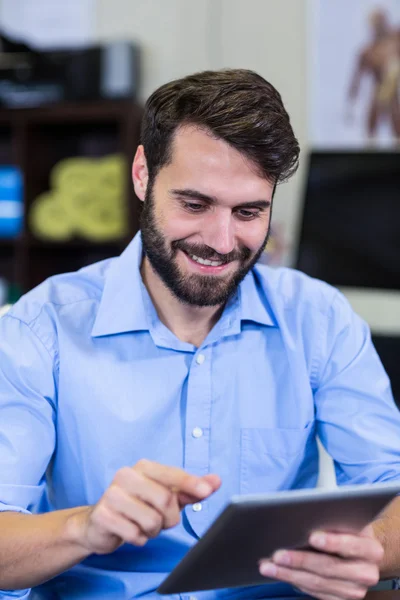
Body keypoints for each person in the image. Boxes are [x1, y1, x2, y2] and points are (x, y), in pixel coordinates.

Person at [0, 68, 400, 600]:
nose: (220, 240)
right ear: (143, 174)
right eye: (195, 204)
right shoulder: (40, 329)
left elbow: (389, 490)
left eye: (249, 211)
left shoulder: (319, 319)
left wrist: (362, 549)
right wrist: (85, 527)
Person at [347, 8, 400, 143]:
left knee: (396, 121)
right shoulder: (368, 51)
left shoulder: (396, 40)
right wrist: (351, 104)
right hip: (378, 92)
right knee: (371, 129)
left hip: (393, 92)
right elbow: (356, 79)